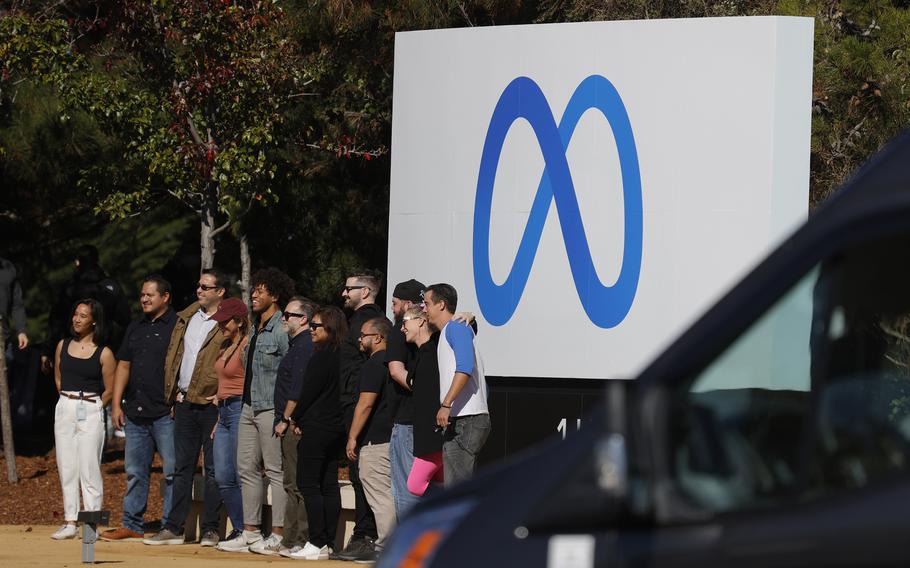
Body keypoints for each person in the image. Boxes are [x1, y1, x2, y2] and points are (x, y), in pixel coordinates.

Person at [144, 269, 226, 546]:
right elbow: (175, 356)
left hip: (213, 404)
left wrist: (222, 394)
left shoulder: (229, 321)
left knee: (214, 470)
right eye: (198, 286)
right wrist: (173, 395)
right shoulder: (186, 318)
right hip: (184, 403)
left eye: (206, 286)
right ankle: (173, 528)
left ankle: (211, 530)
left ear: (220, 291)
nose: (199, 290)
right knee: (181, 468)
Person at [218, 268, 294, 554]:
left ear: (274, 295)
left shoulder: (282, 329)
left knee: (275, 470)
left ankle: (278, 533)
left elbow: (291, 371)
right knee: (246, 468)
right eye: (253, 290)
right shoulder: (255, 328)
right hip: (247, 406)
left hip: (272, 408)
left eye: (260, 290)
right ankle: (250, 532)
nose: (254, 295)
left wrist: (287, 414)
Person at [102, 276, 177, 542]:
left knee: (172, 472)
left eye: (150, 295)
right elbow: (123, 365)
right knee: (135, 472)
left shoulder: (178, 326)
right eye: (142, 295)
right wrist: (116, 404)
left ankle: (170, 526)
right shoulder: (135, 327)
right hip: (135, 411)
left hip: (166, 412)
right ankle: (131, 524)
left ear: (165, 297)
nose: (144, 299)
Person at [51, 299, 116, 540]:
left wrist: (93, 407)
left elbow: (109, 389)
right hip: (66, 406)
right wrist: (68, 403)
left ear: (94, 321)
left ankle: (90, 524)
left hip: (91, 407)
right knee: (67, 466)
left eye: (83, 316)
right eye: (75, 314)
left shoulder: (104, 352)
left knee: (89, 468)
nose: (77, 319)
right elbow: (58, 378)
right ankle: (70, 521)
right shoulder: (62, 345)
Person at [288, 306, 346, 560]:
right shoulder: (344, 355)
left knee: (309, 484)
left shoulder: (322, 356)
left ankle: (317, 541)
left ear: (330, 330)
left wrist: (295, 416)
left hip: (318, 427)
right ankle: (328, 543)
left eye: (316, 326)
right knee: (328, 484)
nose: (311, 330)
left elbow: (309, 391)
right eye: (310, 325)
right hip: (335, 427)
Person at [334, 270, 383, 560]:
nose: (343, 293)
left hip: (360, 406)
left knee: (363, 473)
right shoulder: (356, 322)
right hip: (351, 403)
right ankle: (363, 535)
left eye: (349, 288)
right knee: (357, 473)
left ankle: (366, 536)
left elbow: (369, 371)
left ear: (365, 291)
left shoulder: (370, 321)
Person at [423, 284, 491, 486]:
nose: (424, 308)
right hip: (462, 419)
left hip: (466, 420)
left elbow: (465, 367)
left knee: (456, 493)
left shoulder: (457, 327)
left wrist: (446, 404)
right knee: (456, 491)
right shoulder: (450, 330)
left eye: (427, 303)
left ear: (441, 304)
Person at [345, 317, 395, 562]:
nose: (359, 339)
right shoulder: (395, 363)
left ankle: (386, 548)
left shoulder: (374, 365)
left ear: (377, 337)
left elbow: (365, 404)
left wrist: (353, 437)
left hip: (376, 441)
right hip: (393, 438)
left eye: (364, 335)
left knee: (380, 496)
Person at [272, 296, 318, 558]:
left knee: (296, 482)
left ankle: (298, 539)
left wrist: (285, 419)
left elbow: (297, 389)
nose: (283, 318)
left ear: (303, 319)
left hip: (293, 424)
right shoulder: (296, 345)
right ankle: (290, 539)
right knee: (291, 482)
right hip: (290, 421)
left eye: (288, 315)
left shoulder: (303, 346)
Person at [45, 245, 130, 371]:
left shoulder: (69, 288)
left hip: (72, 352)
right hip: (104, 352)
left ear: (77, 262)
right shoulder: (110, 286)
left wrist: (48, 350)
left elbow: (56, 321)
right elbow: (125, 319)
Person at [210, 297, 251, 542]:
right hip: (223, 411)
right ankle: (239, 528)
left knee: (240, 472)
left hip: (239, 409)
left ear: (238, 321)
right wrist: (217, 418)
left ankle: (250, 529)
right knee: (222, 475)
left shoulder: (247, 345)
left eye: (225, 321)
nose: (221, 326)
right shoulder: (225, 345)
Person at [384, 279, 424, 518]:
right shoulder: (433, 331)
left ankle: (409, 548)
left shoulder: (400, 331)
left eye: (395, 303)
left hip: (407, 420)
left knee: (407, 488)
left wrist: (422, 390)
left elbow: (396, 370)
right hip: (425, 420)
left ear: (408, 304)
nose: (393, 308)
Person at [400, 307, 444, 497]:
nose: (402, 328)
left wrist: (469, 317)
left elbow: (465, 326)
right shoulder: (420, 354)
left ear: (420, 321)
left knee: (414, 485)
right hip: (427, 434)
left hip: (434, 435)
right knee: (443, 485)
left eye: (405, 322)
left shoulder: (437, 345)